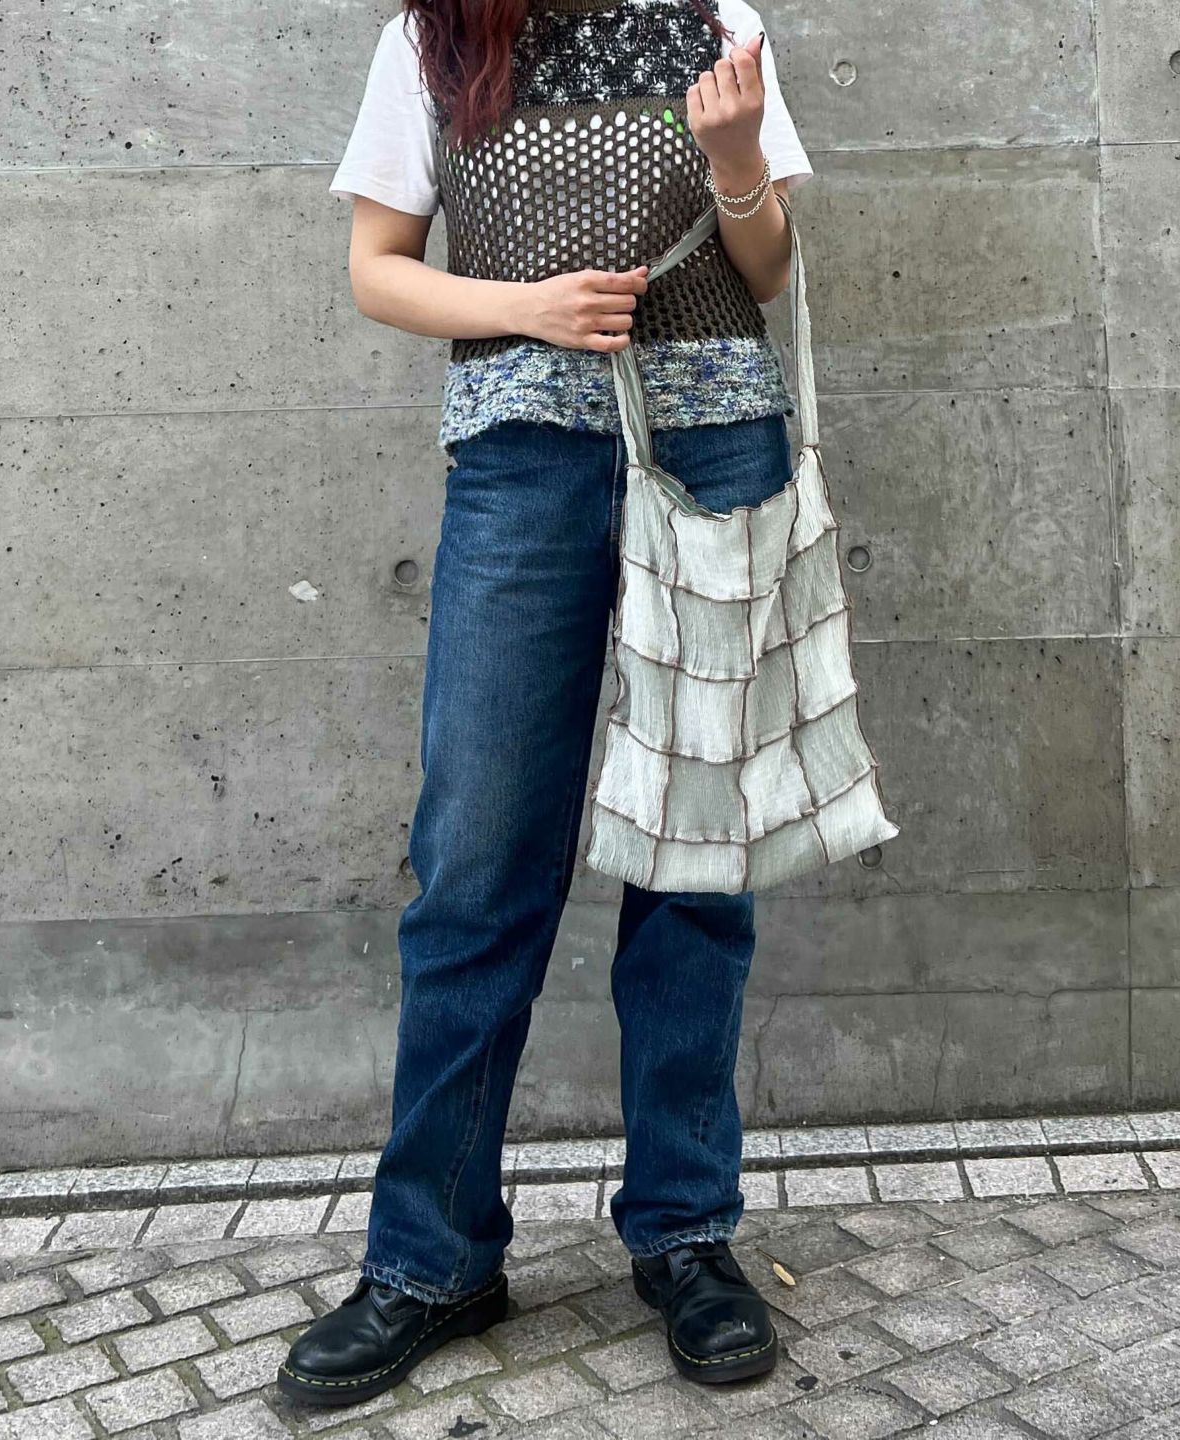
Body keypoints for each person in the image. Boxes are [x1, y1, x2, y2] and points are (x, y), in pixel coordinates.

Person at [279, 0, 812, 1408]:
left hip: (719, 446)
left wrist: (739, 158)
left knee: (697, 860)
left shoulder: (717, 22)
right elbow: (379, 271)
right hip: (523, 460)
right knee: (477, 860)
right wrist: (527, 308)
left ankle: (687, 1235)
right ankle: (433, 1258)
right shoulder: (435, 41)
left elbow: (768, 263)